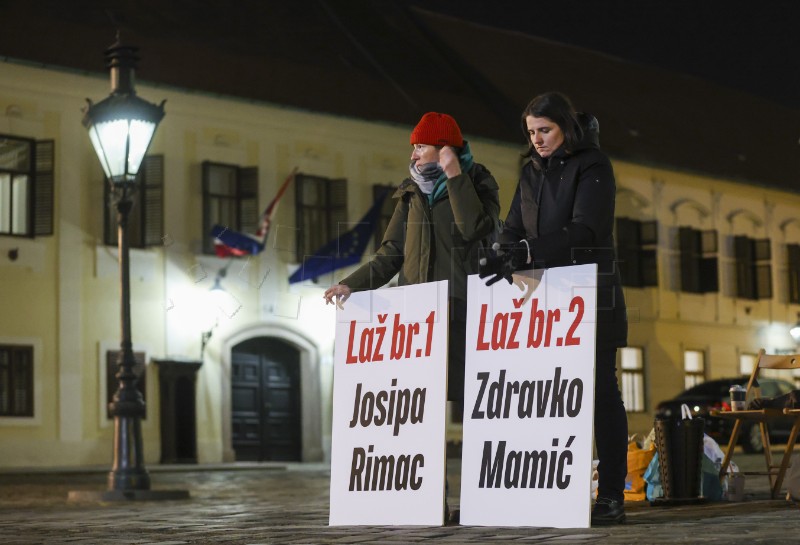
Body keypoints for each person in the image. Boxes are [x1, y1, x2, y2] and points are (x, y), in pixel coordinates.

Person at [324, 112, 500, 523]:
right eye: (415, 146)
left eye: (421, 145)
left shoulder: (479, 183)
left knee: (476, 407)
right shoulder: (409, 194)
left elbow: (474, 226)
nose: (414, 152)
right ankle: (429, 499)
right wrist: (352, 283)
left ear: (444, 147)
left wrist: (455, 173)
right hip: (416, 318)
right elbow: (390, 254)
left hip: (462, 311)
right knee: (422, 410)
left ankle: (481, 495)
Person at [479, 91, 629, 525]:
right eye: (531, 132)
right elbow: (511, 227)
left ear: (566, 126)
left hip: (591, 296)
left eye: (545, 130)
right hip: (543, 303)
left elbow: (585, 228)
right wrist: (502, 253)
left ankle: (612, 494)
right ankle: (544, 489)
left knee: (600, 393)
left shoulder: (593, 164)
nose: (538, 140)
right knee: (542, 397)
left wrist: (525, 251)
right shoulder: (530, 172)